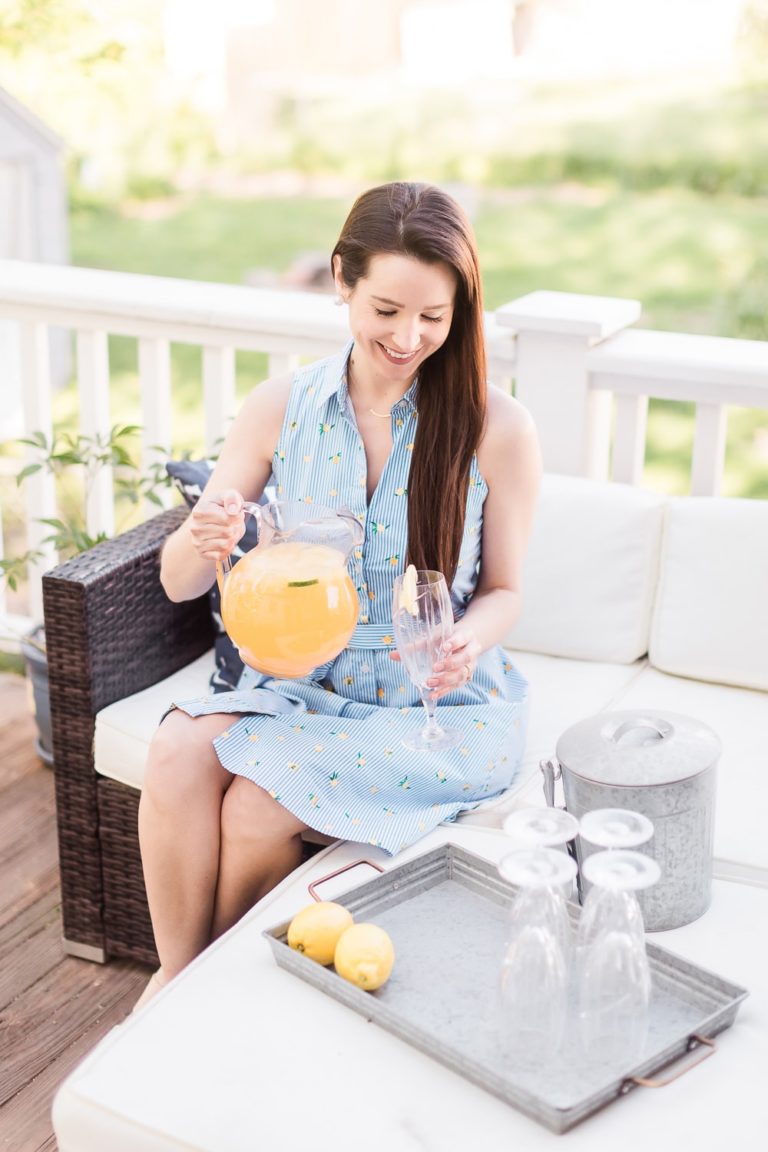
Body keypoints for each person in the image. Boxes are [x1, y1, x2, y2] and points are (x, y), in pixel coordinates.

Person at [135, 181, 542, 1008]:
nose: (409, 336)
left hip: (428, 704)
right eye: (387, 308)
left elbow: (505, 591)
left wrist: (471, 638)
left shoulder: (495, 425)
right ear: (341, 280)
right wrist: (201, 538)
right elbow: (180, 580)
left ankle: (214, 992)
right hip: (302, 684)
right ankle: (179, 985)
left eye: (435, 317)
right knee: (177, 752)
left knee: (255, 803)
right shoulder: (282, 407)